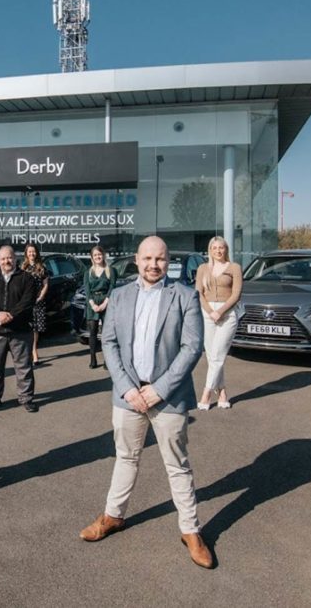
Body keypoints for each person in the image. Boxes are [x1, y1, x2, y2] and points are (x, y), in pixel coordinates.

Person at [79, 236, 213, 569]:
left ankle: (190, 530)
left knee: (177, 465)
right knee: (125, 457)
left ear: (169, 262)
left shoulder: (185, 296)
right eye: (148, 258)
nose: (154, 265)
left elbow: (192, 347)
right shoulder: (120, 295)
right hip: (127, 396)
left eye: (161, 259)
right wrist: (127, 388)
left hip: (167, 397)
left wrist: (159, 389)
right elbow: (109, 343)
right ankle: (113, 515)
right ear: (137, 260)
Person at [0, 245, 39, 413]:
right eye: (3, 258)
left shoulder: (27, 279)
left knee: (23, 367)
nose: (7, 261)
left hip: (19, 331)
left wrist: (10, 315)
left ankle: (26, 398)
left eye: (9, 257)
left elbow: (28, 301)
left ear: (15, 259)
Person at [194, 236, 243, 410]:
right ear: (210, 250)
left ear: (226, 249)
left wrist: (220, 312)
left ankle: (206, 394)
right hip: (207, 314)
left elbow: (236, 294)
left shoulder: (234, 268)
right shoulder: (202, 268)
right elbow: (198, 293)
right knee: (212, 357)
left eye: (221, 248)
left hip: (227, 315)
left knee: (218, 356)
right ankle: (222, 392)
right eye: (214, 248)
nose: (218, 251)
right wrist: (210, 312)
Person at [82, 245, 117, 369]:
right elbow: (87, 291)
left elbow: (112, 287)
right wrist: (93, 305)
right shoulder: (88, 272)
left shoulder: (110, 270)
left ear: (103, 255)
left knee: (107, 334)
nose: (98, 257)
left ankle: (108, 361)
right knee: (93, 332)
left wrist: (104, 304)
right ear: (92, 257)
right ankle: (93, 359)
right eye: (95, 255)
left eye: (99, 254)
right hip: (92, 304)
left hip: (107, 302)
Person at [22, 243, 50, 364]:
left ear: (36, 253)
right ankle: (27, 352)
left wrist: (41, 297)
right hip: (26, 302)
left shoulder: (42, 267)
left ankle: (34, 352)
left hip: (38, 302)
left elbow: (46, 284)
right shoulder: (22, 267)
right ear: (26, 253)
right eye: (29, 252)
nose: (31, 254)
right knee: (27, 327)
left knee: (35, 329)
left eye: (33, 251)